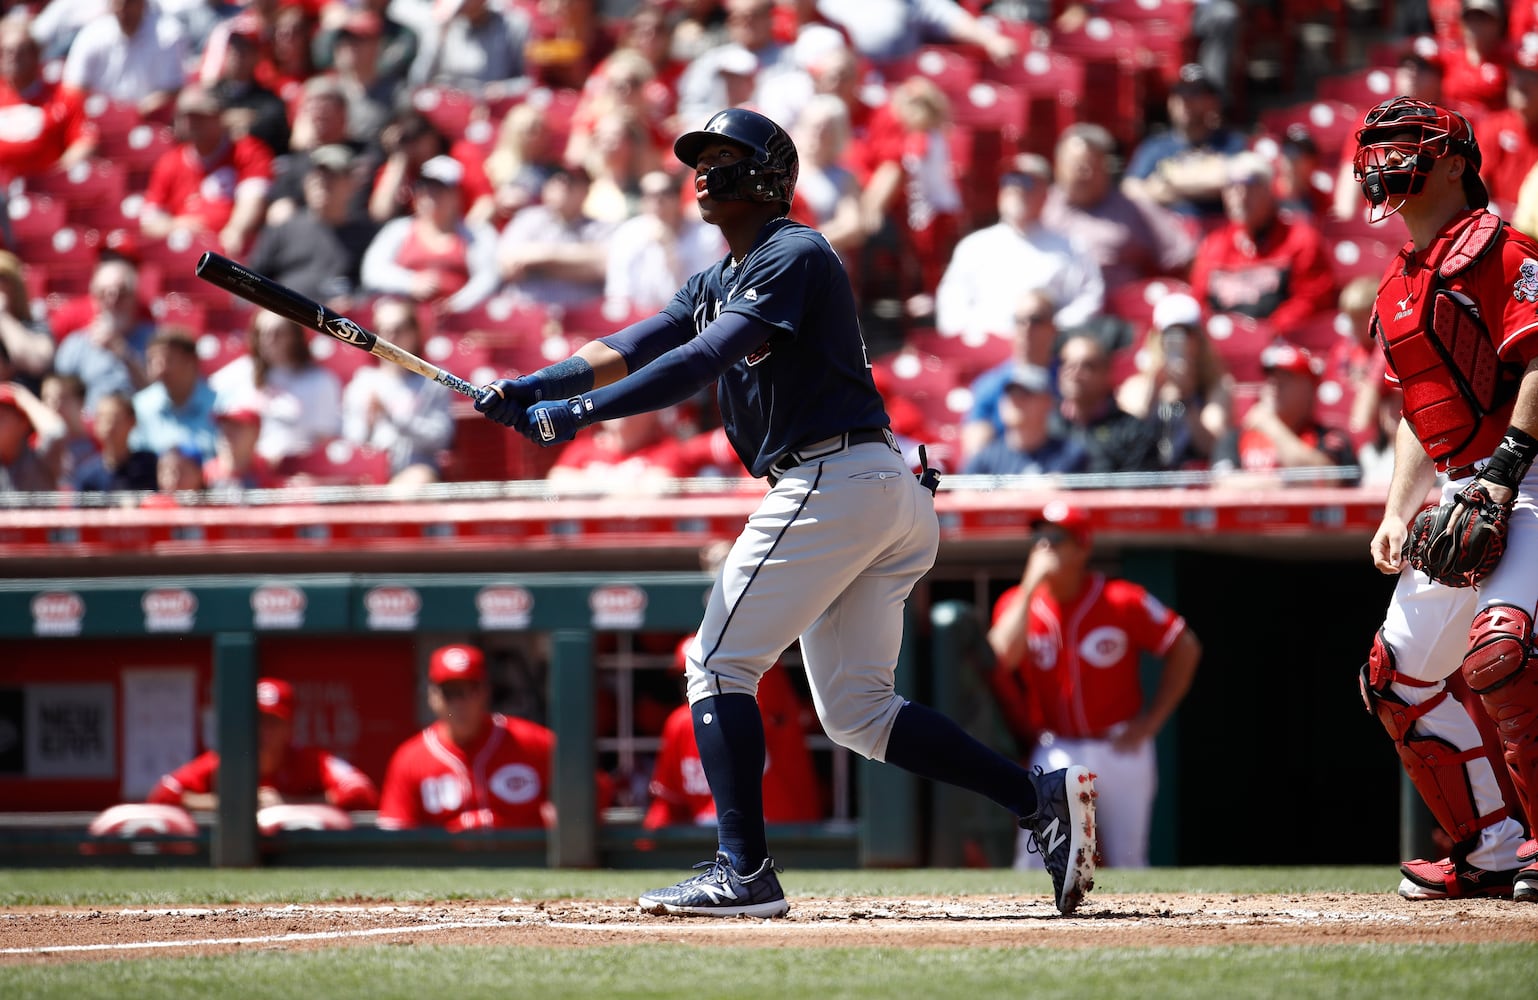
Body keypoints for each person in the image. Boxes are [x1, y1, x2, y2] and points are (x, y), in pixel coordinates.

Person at [474, 107, 1098, 917]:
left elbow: (702, 358)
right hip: (872, 488)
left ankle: (744, 873)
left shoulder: (792, 251)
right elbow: (640, 340)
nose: (705, 171)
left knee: (716, 663)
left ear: (768, 174)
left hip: (836, 477)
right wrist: (538, 384)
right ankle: (1034, 800)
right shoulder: (718, 276)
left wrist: (579, 416)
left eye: (724, 157)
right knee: (861, 714)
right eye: (702, 159)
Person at [1353, 95, 1538, 902]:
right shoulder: (1397, 282)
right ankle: (1488, 848)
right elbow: (1412, 414)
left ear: (1456, 161)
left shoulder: (1501, 248)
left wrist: (1507, 465)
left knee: (1501, 654)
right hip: (1462, 490)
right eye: (1377, 145)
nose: (1383, 157)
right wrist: (1398, 509)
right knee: (1393, 679)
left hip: (1527, 478)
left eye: (1404, 143)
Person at [988, 503, 1200, 869]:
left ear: (1083, 546)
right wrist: (1029, 585)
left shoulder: (1122, 599)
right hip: (1056, 747)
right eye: (1038, 537)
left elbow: (1185, 647)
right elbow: (1001, 657)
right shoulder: (1018, 603)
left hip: (1120, 744)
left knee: (1129, 859)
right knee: (1033, 863)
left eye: (1056, 538)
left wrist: (1153, 722)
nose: (1045, 547)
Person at [645, 633, 825, 829]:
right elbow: (669, 805)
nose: (695, 684)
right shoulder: (679, 723)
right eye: (686, 677)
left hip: (774, 834)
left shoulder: (761, 709)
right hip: (711, 839)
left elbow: (765, 673)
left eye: (708, 674)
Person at [377, 643, 560, 831]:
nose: (459, 704)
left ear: (485, 692)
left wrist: (563, 814)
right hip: (447, 860)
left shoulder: (535, 742)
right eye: (450, 693)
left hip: (523, 859)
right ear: (432, 697)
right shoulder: (410, 758)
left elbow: (587, 803)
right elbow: (397, 834)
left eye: (469, 690)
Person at [935, 154, 1105, 341]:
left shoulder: (1072, 246)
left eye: (1026, 181)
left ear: (1046, 192)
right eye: (1008, 180)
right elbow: (951, 304)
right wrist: (974, 336)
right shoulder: (973, 246)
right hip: (984, 352)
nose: (1015, 188)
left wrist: (1047, 331)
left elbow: (1089, 299)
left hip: (1047, 353)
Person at [146, 677, 379, 813]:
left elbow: (362, 791)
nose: (262, 731)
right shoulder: (223, 760)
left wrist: (288, 803)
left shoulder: (310, 761)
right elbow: (163, 793)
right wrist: (234, 803)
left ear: (290, 727)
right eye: (256, 720)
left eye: (273, 722)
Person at [1187, 152, 1338, 334]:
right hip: (1223, 346)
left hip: (1279, 345)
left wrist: (1266, 333)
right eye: (1232, 186)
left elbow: (1311, 300)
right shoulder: (1213, 245)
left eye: (1250, 185)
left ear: (1269, 190)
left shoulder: (1300, 241)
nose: (1240, 195)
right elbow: (1199, 302)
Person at [1041, 123, 1195, 292]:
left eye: (1092, 166)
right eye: (1077, 166)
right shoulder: (1039, 205)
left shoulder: (1134, 208)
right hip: (1051, 308)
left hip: (1117, 309)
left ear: (1106, 168)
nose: (1084, 174)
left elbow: (1183, 255)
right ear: (1057, 166)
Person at [139, 84, 275, 258]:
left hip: (233, 250)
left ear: (218, 117)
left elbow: (253, 200)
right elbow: (150, 220)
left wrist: (235, 230)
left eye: (200, 116)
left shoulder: (247, 151)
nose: (192, 123)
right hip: (184, 251)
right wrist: (177, 225)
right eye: (186, 116)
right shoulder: (169, 162)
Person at [359, 154, 501, 314]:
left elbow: (488, 279)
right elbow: (373, 271)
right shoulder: (398, 230)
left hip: (459, 324)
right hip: (406, 320)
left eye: (439, 190)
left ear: (456, 195)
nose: (429, 196)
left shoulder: (477, 234)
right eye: (425, 189)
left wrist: (455, 305)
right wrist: (410, 282)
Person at [340, 298, 454, 487]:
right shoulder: (363, 381)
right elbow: (352, 440)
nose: (391, 337)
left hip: (416, 471)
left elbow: (441, 437)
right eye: (384, 331)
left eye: (399, 329)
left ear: (415, 332)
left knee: (418, 479)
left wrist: (394, 418)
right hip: (367, 477)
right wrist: (367, 422)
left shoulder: (434, 381)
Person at [1115, 292, 1235, 471]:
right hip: (1150, 479)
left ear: (1199, 339)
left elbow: (1213, 446)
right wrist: (1155, 389)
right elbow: (1126, 441)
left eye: (1187, 333)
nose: (1180, 341)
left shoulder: (1216, 385)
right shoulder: (1136, 386)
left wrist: (1187, 400)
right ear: (1158, 339)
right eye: (1169, 333)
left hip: (1197, 479)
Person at [208, 310, 342, 467]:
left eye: (278, 333)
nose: (268, 340)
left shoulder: (320, 381)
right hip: (248, 471)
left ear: (295, 337)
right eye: (262, 334)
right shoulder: (239, 373)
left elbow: (324, 439)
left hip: (296, 471)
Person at [248, 143, 377, 306]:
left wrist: (354, 302)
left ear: (352, 183)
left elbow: (371, 287)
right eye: (316, 175)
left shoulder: (366, 235)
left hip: (338, 325)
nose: (322, 183)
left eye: (332, 176)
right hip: (287, 321)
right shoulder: (283, 229)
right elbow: (250, 281)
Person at [1122, 63, 1249, 225]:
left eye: (1195, 93)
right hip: (1167, 233)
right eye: (1178, 93)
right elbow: (1131, 190)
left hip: (1217, 231)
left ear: (1214, 102)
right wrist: (1202, 183)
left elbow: (1233, 182)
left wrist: (1167, 183)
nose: (1185, 101)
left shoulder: (1232, 143)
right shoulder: (1154, 146)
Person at [1211, 340, 1356, 483]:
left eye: (1286, 377)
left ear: (1310, 388)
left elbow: (1325, 480)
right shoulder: (1236, 437)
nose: (1275, 384)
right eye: (1271, 377)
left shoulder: (1330, 438)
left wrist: (1270, 426)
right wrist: (1286, 484)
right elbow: (1221, 485)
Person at [604, 169, 727, 315]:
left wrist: (669, 247)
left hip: (690, 318)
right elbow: (618, 295)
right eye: (650, 195)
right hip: (638, 320)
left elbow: (703, 294)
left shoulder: (706, 235)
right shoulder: (627, 234)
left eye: (665, 193)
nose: (658, 201)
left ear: (678, 197)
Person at [959, 289, 1060, 462]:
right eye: (1019, 321)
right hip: (1008, 476)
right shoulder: (990, 384)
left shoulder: (1071, 377)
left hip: (1064, 469)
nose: (1026, 328)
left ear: (1053, 328)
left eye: (1035, 320)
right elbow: (975, 452)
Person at [0, 17, 95, 183]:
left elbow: (84, 143)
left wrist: (54, 178)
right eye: (5, 51)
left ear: (36, 54)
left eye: (20, 51)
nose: (12, 58)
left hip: (44, 191)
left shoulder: (62, 98)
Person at [1052, 334, 1162, 476]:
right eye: (1069, 365)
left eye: (1088, 366)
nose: (1076, 374)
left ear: (1106, 373)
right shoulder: (1043, 426)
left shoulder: (1134, 433)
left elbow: (1137, 492)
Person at [59, 0, 185, 117]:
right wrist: (105, 112)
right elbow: (72, 88)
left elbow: (173, 90)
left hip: (149, 121)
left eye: (129, 3)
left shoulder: (167, 33)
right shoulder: (92, 33)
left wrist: (129, 115)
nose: (123, 9)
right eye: (118, 2)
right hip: (97, 119)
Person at [962, 364, 1086, 477]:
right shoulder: (985, 459)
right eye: (1010, 393)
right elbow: (961, 497)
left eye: (1024, 394)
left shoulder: (1069, 454)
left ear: (1047, 402)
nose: (1015, 400)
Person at [129, 326, 220, 459]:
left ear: (191, 362)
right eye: (152, 361)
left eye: (167, 360)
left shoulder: (219, 405)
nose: (159, 369)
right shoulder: (141, 405)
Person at [70, 391, 158, 492]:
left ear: (132, 421)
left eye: (115, 419)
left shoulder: (150, 466)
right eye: (102, 418)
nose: (109, 426)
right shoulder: (87, 475)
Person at [0, 382, 56, 494]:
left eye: (1, 417)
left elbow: (55, 433)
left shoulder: (40, 457)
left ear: (23, 422)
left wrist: (26, 400)